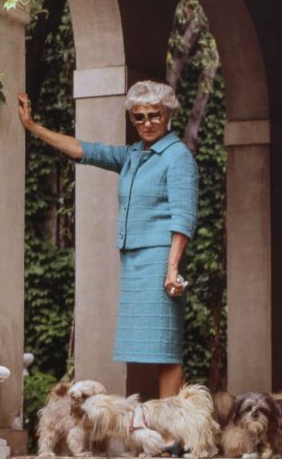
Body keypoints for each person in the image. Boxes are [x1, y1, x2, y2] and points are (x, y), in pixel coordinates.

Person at [17, 80, 198, 399]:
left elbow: (183, 218)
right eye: (139, 117)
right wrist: (32, 126)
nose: (147, 124)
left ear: (168, 114)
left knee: (165, 349)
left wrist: (172, 269)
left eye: (154, 115)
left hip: (159, 259)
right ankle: (160, 429)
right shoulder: (133, 155)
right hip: (134, 261)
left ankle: (173, 432)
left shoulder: (177, 156)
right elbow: (84, 150)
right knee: (150, 347)